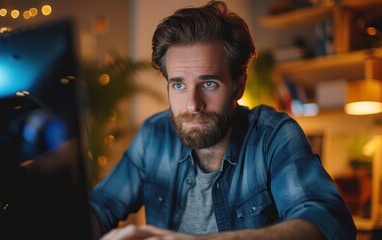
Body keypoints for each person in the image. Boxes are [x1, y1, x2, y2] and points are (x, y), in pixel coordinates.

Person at [89, 1, 356, 239]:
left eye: (209, 83)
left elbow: (328, 221)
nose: (193, 105)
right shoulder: (154, 135)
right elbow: (102, 205)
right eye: (179, 85)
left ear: (238, 85)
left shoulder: (272, 136)